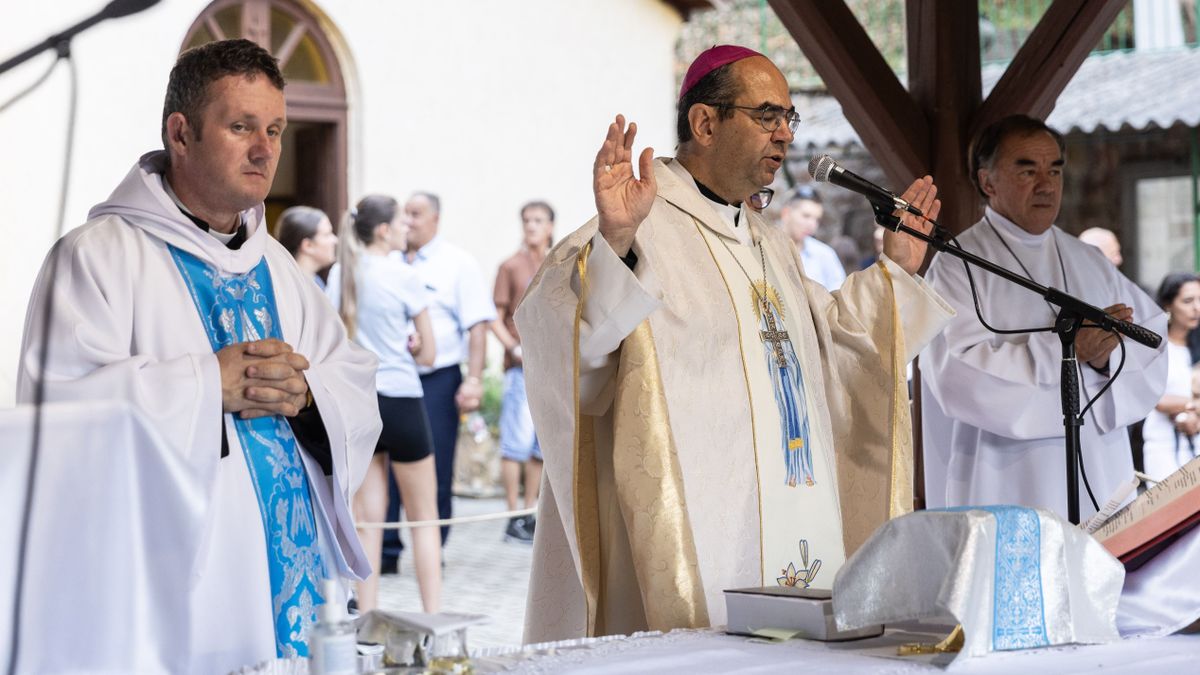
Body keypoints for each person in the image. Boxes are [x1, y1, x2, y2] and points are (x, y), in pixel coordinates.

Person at [515, 45, 953, 641]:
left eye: (789, 119)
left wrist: (896, 271)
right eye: (768, 115)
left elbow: (838, 346)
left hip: (796, 508)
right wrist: (615, 247)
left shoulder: (769, 242)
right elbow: (569, 358)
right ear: (705, 123)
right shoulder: (635, 224)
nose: (785, 135)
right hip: (705, 524)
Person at [16, 39, 380, 671]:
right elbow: (57, 413)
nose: (266, 149)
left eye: (274, 130)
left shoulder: (278, 265)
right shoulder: (97, 256)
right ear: (180, 134)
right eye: (241, 127)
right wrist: (203, 384)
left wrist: (310, 397)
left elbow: (349, 377)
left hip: (297, 579)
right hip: (181, 589)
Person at [919, 114, 1167, 519]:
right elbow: (956, 373)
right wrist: (1066, 352)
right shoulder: (957, 266)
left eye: (1054, 169)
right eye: (1027, 169)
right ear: (987, 182)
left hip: (1097, 468)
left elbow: (1150, 340)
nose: (1046, 184)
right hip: (1007, 475)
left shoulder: (1090, 261)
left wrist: (1106, 359)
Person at [325, 195, 442, 613]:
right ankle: (433, 620)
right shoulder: (404, 274)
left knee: (368, 521)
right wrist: (411, 347)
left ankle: (369, 619)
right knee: (423, 518)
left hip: (360, 403)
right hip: (402, 401)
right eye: (400, 223)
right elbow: (429, 354)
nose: (405, 229)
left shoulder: (341, 272)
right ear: (382, 231)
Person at [401, 192, 496, 544]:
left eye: (416, 214)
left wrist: (473, 380)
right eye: (404, 214)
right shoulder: (391, 261)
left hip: (438, 379)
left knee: (436, 463)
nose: (407, 221)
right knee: (387, 462)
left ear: (435, 219)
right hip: (394, 377)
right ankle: (389, 550)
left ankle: (433, 545)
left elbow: (477, 327)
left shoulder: (458, 263)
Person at [491, 200, 553, 544]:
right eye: (526, 220)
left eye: (538, 220)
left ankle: (529, 514)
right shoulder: (510, 266)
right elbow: (493, 317)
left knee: (539, 445)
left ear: (550, 226)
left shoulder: (558, 263)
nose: (531, 226)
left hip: (549, 366)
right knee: (515, 443)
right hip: (520, 368)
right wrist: (512, 347)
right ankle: (511, 515)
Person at [1141, 273, 1200, 480]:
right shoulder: (1156, 347)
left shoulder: (1196, 348)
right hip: (1163, 445)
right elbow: (1158, 400)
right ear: (1168, 304)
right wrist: (1193, 405)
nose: (1197, 308)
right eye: (1188, 301)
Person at [780, 185, 846, 290]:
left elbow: (839, 294)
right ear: (786, 213)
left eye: (817, 219)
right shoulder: (766, 247)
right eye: (806, 216)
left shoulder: (825, 254)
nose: (812, 224)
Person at [275, 205, 338, 288]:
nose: (335, 240)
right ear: (308, 246)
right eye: (327, 235)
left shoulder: (316, 281)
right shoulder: (289, 287)